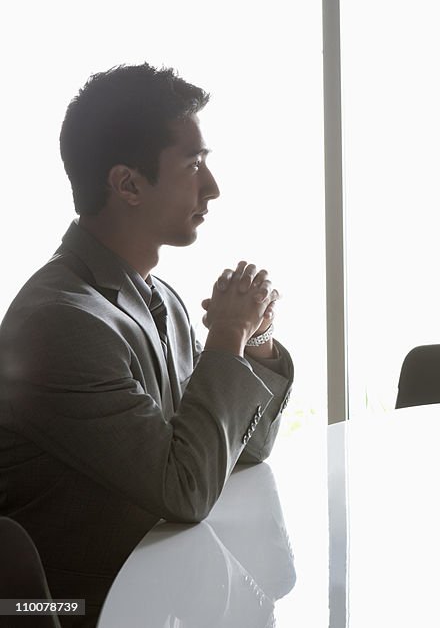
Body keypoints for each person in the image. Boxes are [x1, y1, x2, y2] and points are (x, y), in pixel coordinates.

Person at [0, 64, 294, 627]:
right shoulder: (61, 324)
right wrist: (226, 337)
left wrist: (254, 342)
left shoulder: (159, 299)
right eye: (193, 165)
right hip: (67, 609)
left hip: (162, 585)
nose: (211, 186)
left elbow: (239, 453)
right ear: (128, 184)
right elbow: (184, 490)